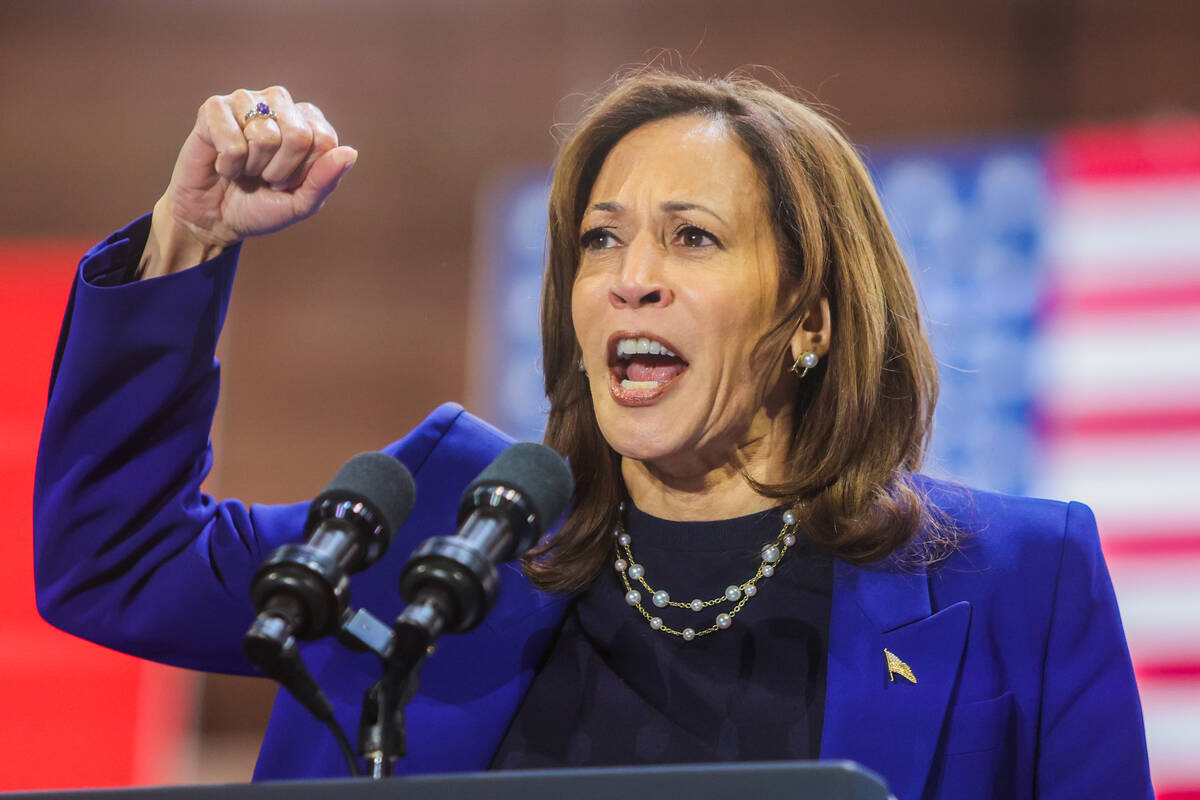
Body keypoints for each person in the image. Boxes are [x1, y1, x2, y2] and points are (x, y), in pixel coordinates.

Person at [33, 70, 1152, 799]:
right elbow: (113, 558)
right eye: (602, 240)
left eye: (692, 238)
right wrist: (188, 236)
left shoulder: (1016, 580)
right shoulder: (449, 525)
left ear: (811, 314)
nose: (631, 281)